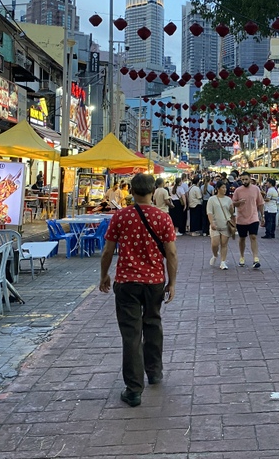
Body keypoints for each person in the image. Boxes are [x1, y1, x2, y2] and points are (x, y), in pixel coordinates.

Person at [98, 174, 177, 407]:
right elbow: (171, 253)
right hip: (154, 282)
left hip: (127, 282)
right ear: (153, 191)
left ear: (131, 191)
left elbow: (107, 251)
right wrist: (172, 282)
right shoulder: (163, 218)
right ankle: (154, 371)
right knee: (153, 323)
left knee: (131, 334)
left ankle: (133, 389)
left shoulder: (121, 217)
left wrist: (104, 275)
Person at [232, 172, 265, 268]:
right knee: (242, 238)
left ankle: (255, 258)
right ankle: (242, 256)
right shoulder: (238, 190)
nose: (244, 181)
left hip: (253, 217)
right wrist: (239, 202)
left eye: (246, 179)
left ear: (250, 179)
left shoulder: (256, 189)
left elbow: (260, 203)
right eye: (242, 180)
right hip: (241, 218)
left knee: (253, 236)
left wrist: (262, 216)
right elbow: (233, 204)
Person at [207, 181, 235, 270]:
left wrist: (231, 209)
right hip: (215, 225)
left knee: (224, 244)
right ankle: (215, 255)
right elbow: (209, 212)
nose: (224, 189)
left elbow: (232, 213)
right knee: (215, 244)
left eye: (225, 187)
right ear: (217, 189)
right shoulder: (212, 199)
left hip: (225, 224)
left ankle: (223, 262)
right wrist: (212, 223)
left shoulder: (228, 199)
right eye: (223, 187)